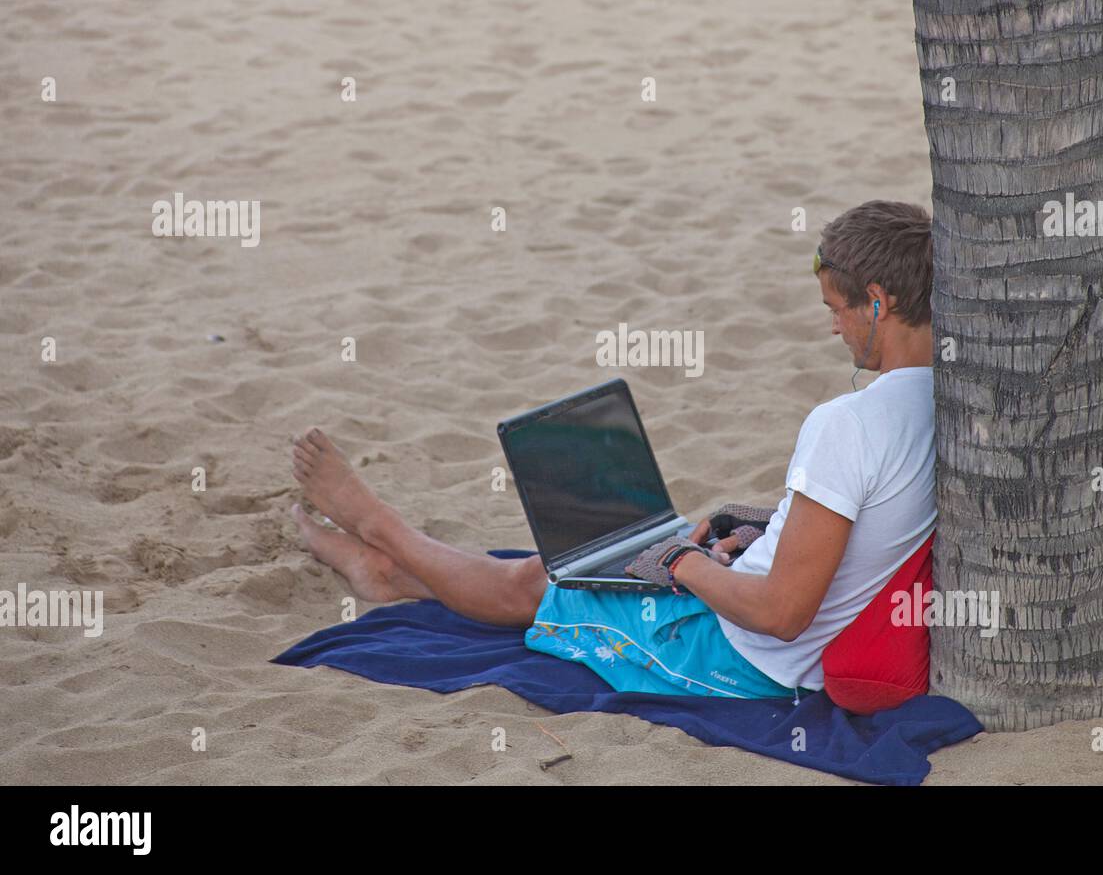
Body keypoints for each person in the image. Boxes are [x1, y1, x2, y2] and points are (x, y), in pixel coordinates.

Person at [290, 200, 938, 700]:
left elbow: (782, 613)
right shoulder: (947, 403)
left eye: (836, 309)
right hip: (762, 620)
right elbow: (866, 516)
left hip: (731, 657)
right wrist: (772, 523)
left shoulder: (846, 423)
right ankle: (392, 574)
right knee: (592, 561)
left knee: (534, 581)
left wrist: (683, 562)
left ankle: (378, 527)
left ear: (877, 304)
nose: (832, 326)